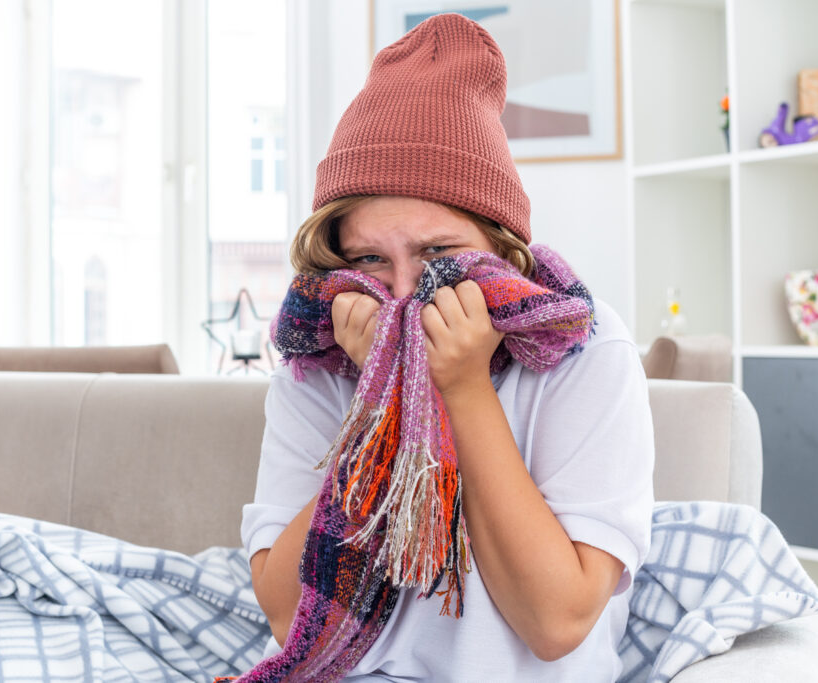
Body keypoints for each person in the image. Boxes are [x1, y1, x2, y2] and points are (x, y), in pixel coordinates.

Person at [240, 13, 653, 681]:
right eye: (370, 258)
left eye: (438, 252)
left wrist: (461, 384)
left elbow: (556, 622)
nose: (405, 292)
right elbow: (290, 615)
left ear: (500, 246)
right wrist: (379, 404)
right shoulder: (316, 362)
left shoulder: (588, 346)